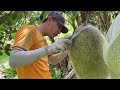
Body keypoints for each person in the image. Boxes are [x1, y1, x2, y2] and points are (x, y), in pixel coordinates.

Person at [9, 11, 72, 79]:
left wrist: (67, 50)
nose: (59, 32)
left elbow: (52, 60)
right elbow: (13, 60)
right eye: (59, 27)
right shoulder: (29, 30)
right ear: (50, 20)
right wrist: (47, 50)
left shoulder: (43, 41)